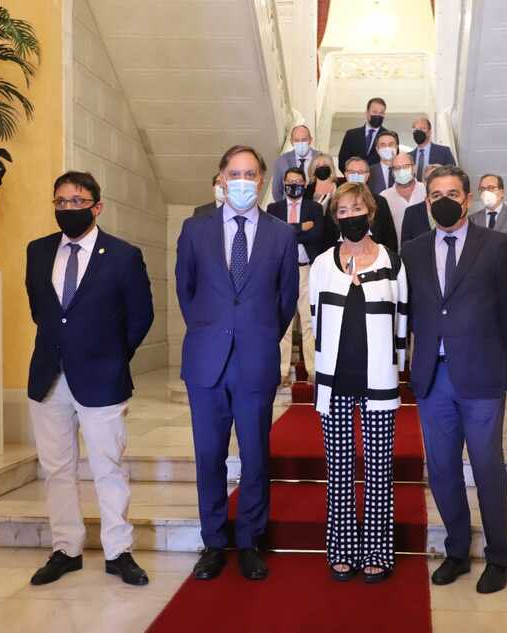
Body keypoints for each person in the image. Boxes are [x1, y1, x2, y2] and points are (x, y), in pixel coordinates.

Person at [401, 165, 507, 594]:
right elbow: (413, 310)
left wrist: (485, 347)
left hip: (481, 375)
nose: (444, 201)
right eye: (435, 195)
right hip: (433, 378)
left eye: (452, 193)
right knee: (441, 469)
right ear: (427, 203)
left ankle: (498, 557)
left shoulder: (497, 245)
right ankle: (457, 551)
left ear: (468, 199)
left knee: (488, 466)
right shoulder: (413, 251)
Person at [175, 145, 299, 581]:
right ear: (221, 178)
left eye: (250, 173)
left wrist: (258, 334)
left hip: (255, 361)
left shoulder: (282, 235)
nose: (242, 180)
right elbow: (185, 291)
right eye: (234, 172)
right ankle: (213, 542)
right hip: (207, 362)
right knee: (208, 455)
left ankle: (250, 540)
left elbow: (286, 302)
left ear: (261, 181)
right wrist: (213, 330)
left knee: (255, 456)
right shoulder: (195, 229)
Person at [25, 171, 154, 587]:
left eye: (77, 201)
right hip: (48, 375)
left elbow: (140, 316)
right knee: (57, 468)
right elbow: (40, 309)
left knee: (108, 465)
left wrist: (114, 355)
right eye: (60, 202)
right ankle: (66, 548)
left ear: (97, 206)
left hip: (102, 376)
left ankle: (119, 552)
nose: (68, 208)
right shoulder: (38, 251)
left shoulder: (123, 255)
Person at [309, 182, 407, 584]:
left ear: (371, 212)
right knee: (340, 469)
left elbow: (403, 320)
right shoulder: (321, 264)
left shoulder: (393, 262)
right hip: (335, 381)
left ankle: (379, 550)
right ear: (336, 218)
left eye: (357, 208)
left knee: (381, 469)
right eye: (343, 210)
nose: (351, 216)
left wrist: (398, 369)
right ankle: (342, 548)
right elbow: (314, 319)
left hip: (378, 380)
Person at [267, 167, 324, 384]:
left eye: (298, 181)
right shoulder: (273, 208)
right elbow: (274, 236)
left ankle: (313, 370)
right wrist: (302, 227)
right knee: (284, 321)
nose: (294, 185)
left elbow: (317, 233)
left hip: (306, 269)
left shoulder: (314, 207)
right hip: (282, 273)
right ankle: (281, 372)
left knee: (309, 321)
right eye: (290, 181)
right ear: (283, 182)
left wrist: (289, 230)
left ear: (305, 183)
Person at [321, 157, 398, 253]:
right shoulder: (335, 201)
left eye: (360, 172)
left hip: (375, 257)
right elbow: (328, 237)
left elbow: (389, 236)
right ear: (345, 174)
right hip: (341, 256)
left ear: (367, 175)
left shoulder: (380, 201)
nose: (356, 175)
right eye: (352, 172)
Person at [468, 174, 507, 254]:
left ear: (501, 192)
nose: (486, 192)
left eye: (491, 188)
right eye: (482, 189)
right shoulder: (472, 219)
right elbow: (470, 249)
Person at [380, 151, 426, 251]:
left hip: (427, 250)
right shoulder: (384, 197)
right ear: (392, 172)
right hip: (397, 253)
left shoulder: (426, 191)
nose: (401, 171)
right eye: (397, 168)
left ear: (414, 168)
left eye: (405, 166)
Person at [337, 97, 388, 173]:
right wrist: (354, 176)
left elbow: (391, 163)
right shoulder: (351, 135)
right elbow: (342, 162)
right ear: (367, 113)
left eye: (381, 113)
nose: (378, 115)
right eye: (374, 112)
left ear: (384, 115)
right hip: (354, 180)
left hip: (379, 183)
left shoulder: (389, 137)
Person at [272, 125, 319, 202]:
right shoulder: (281, 161)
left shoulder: (321, 158)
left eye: (304, 140)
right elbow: (277, 191)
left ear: (310, 140)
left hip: (316, 207)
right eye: (296, 140)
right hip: (290, 209)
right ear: (291, 142)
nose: (300, 143)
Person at [401, 164, 441, 246]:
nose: (431, 182)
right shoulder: (411, 212)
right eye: (427, 179)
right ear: (423, 182)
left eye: (435, 178)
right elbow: (406, 246)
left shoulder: (453, 207)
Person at [367, 131, 400, 196]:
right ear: (377, 149)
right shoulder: (369, 172)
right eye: (383, 145)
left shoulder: (405, 169)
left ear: (396, 147)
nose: (387, 148)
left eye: (391, 144)